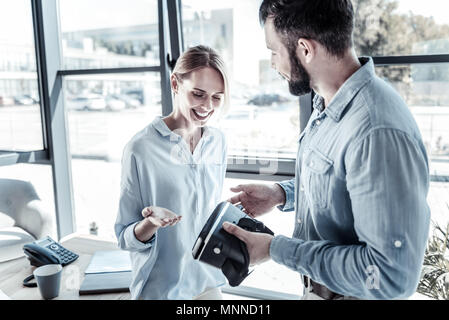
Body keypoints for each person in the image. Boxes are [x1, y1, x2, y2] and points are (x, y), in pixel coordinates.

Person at [223, 0, 430, 300]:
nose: (272, 63)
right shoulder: (329, 103)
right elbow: (343, 182)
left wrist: (273, 248)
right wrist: (282, 194)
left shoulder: (376, 131)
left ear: (305, 50)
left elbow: (388, 277)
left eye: (273, 51)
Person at [115, 45, 230, 300]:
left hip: (207, 282)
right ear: (175, 84)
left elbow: (205, 214)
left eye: (217, 97)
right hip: (162, 290)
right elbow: (124, 237)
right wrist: (150, 224)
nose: (207, 106)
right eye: (198, 94)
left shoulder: (218, 142)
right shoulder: (140, 149)